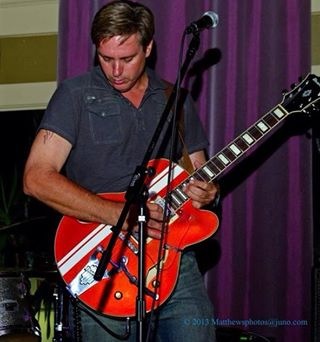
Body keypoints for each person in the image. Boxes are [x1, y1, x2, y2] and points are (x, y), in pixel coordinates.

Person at [23, 1, 219, 341]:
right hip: (103, 259)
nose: (115, 70)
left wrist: (209, 194)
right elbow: (36, 178)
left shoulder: (176, 100)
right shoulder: (75, 95)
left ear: (148, 47)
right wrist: (121, 214)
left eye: (126, 58)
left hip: (173, 262)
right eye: (105, 58)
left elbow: (200, 176)